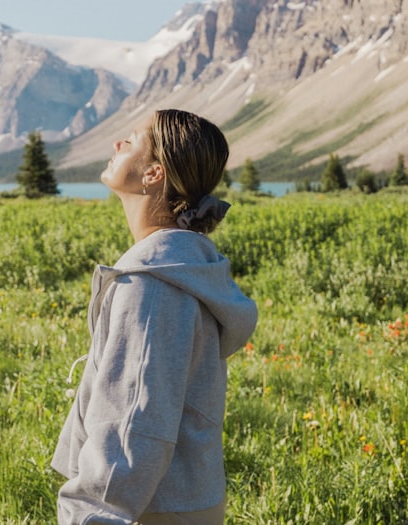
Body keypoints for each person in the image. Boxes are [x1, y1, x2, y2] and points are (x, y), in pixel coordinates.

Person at [52, 109, 258, 525]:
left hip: (149, 510)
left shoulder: (151, 285)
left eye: (130, 141)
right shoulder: (179, 268)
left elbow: (130, 424)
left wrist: (89, 515)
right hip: (179, 500)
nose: (116, 145)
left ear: (154, 174)